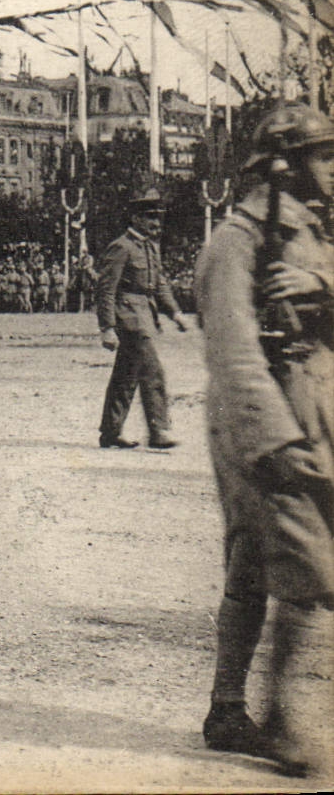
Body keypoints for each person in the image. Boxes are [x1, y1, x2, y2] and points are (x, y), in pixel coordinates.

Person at [193, 105, 334, 778]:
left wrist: (321, 284)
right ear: (282, 162)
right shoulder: (234, 240)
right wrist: (272, 439)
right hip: (258, 419)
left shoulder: (310, 232)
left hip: (310, 409)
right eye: (323, 155)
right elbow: (230, 348)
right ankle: (274, 716)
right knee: (304, 565)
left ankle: (226, 709)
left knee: (254, 559)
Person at [94, 188, 187, 450]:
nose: (155, 224)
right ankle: (159, 430)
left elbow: (159, 284)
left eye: (157, 218)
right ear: (135, 219)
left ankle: (111, 431)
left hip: (145, 314)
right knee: (151, 369)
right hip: (129, 317)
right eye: (149, 218)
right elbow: (106, 288)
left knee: (127, 374)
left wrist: (175, 312)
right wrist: (107, 328)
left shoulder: (150, 248)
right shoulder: (121, 247)